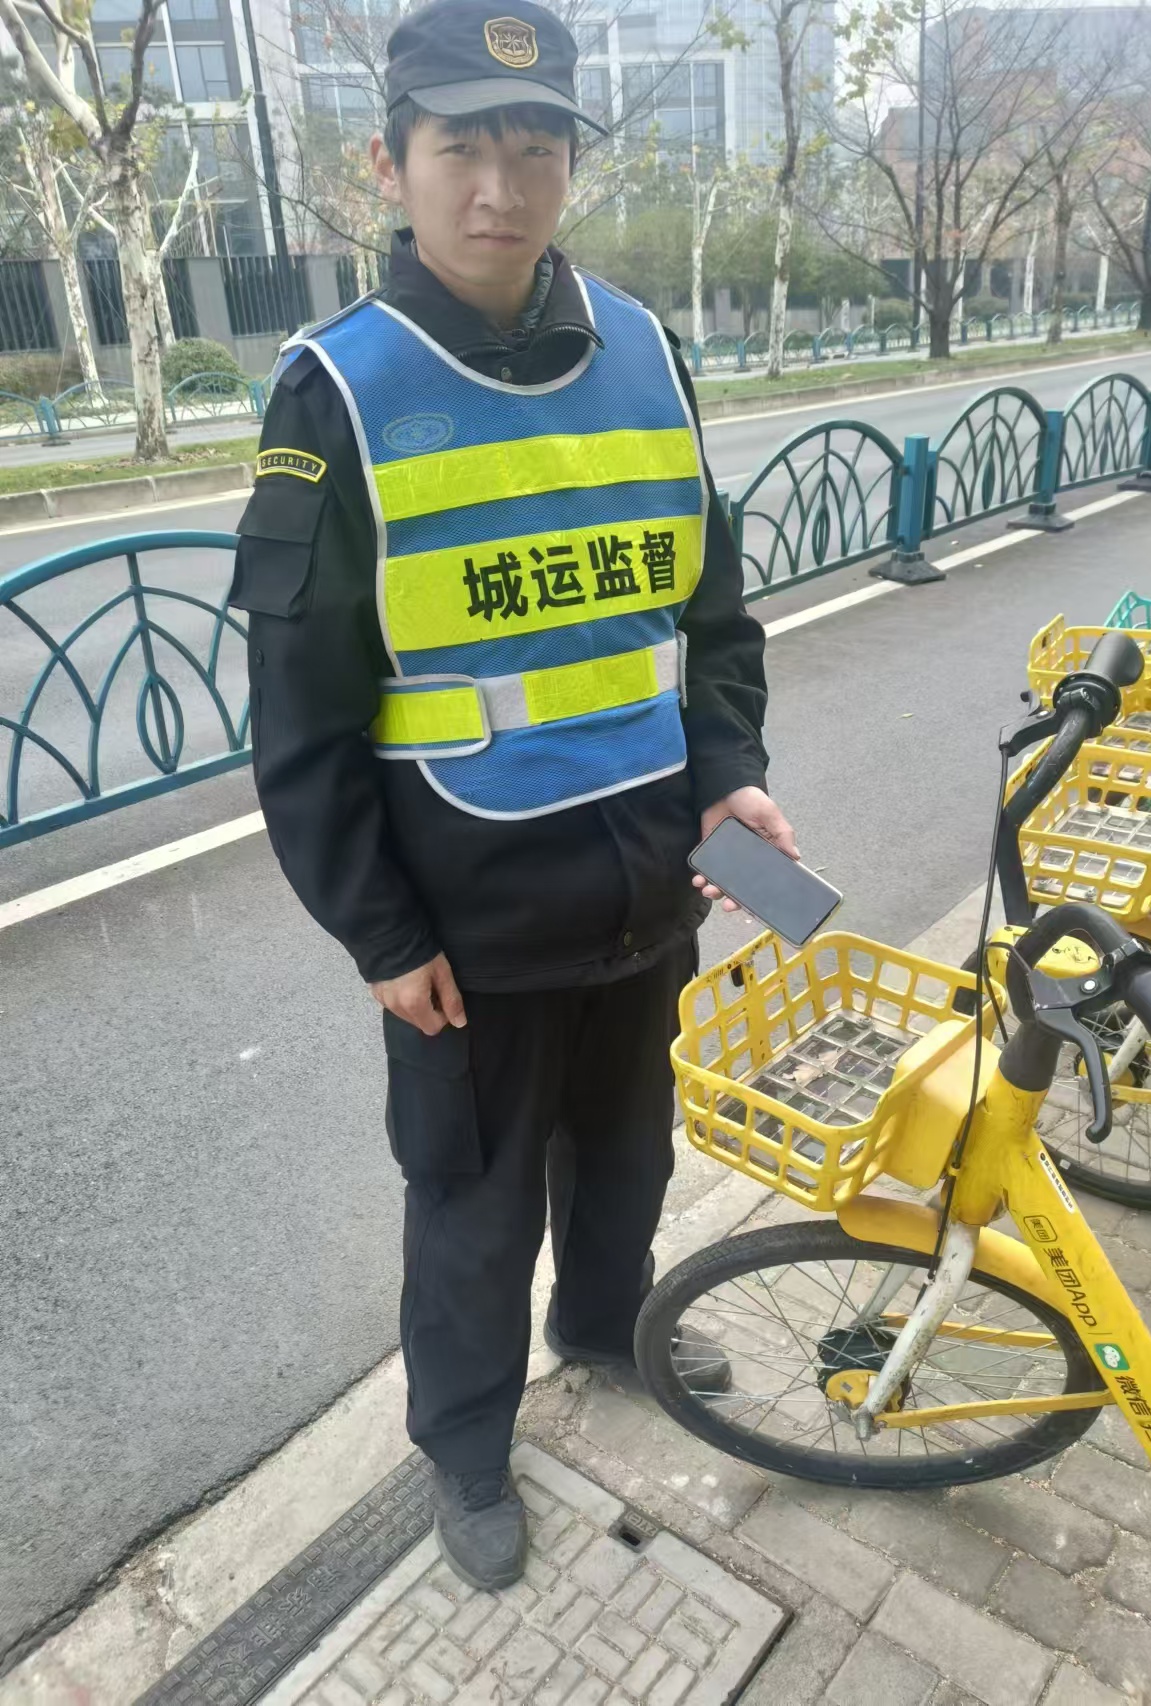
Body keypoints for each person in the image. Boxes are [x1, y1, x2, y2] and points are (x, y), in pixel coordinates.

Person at [229, 0, 793, 1592]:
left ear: (569, 166)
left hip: (648, 880)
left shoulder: (645, 351)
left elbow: (707, 620)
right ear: (390, 164)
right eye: (462, 147)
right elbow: (301, 715)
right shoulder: (339, 393)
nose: (501, 187)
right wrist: (380, 932)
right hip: (465, 922)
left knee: (629, 1151)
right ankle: (467, 1440)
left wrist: (732, 780)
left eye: (536, 148)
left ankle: (608, 1327)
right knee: (471, 1203)